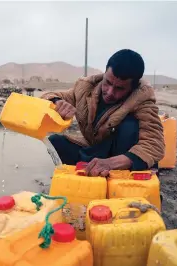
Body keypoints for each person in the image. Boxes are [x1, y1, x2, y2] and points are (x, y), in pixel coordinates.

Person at [40, 49, 165, 177]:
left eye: (119, 88)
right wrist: (57, 102)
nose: (110, 92)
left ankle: (120, 180)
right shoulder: (85, 88)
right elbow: (47, 97)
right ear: (104, 73)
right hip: (96, 152)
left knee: (130, 127)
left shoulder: (142, 99)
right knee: (55, 142)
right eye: (108, 83)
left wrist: (111, 163)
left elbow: (154, 144)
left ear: (132, 87)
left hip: (121, 159)